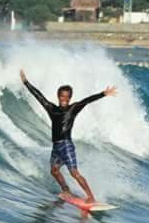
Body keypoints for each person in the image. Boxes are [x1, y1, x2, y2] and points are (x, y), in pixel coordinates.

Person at [20, 69, 117, 203]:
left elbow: (87, 100)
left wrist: (103, 94)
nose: (64, 99)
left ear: (70, 98)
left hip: (66, 145)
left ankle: (91, 197)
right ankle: (66, 190)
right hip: (56, 147)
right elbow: (39, 97)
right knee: (54, 171)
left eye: (67, 97)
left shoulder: (73, 108)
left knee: (74, 173)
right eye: (62, 96)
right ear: (58, 96)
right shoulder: (51, 108)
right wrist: (26, 83)